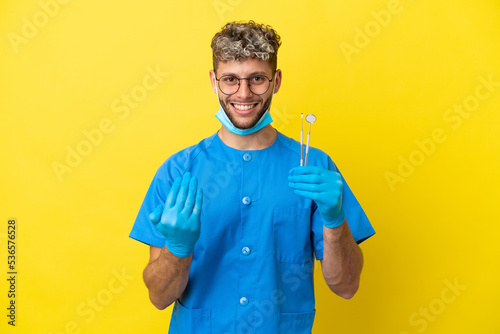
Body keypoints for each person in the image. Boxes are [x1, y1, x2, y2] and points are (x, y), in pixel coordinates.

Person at [129, 20, 375, 334]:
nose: (243, 93)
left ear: (276, 80)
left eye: (257, 79)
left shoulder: (313, 167)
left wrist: (335, 220)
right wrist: (178, 248)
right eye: (230, 79)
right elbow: (159, 297)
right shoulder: (179, 171)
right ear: (213, 81)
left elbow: (347, 286)